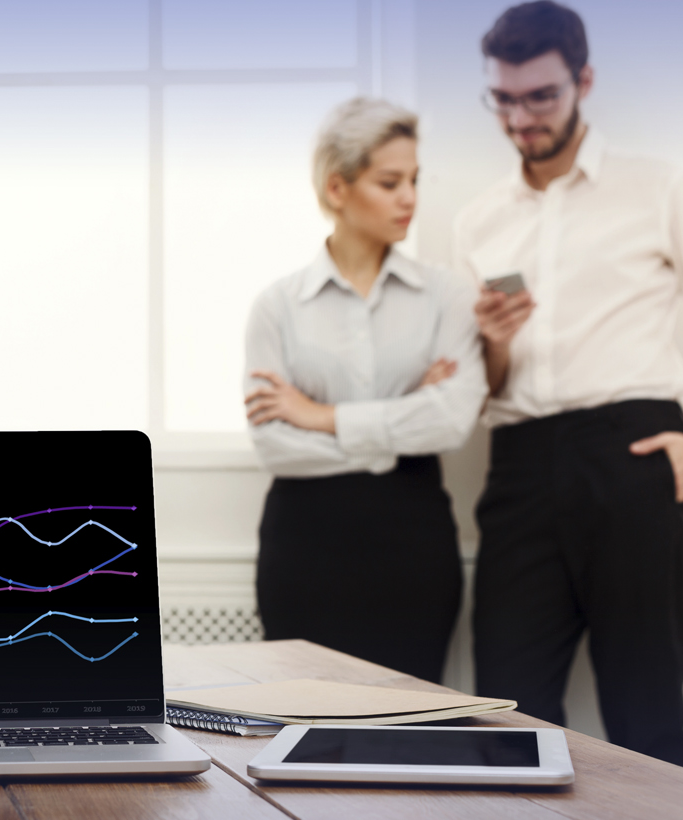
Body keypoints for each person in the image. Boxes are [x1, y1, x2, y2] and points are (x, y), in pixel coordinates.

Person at [457, 1, 683, 768]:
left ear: (583, 80)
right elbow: (491, 385)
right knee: (508, 717)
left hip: (633, 453)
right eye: (504, 98)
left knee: (646, 710)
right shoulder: (479, 219)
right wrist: (492, 341)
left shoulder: (662, 187)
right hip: (519, 464)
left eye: (541, 97)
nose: (521, 118)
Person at [244, 98, 487, 685]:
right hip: (303, 547)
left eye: (414, 180)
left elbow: (452, 422)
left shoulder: (447, 296)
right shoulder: (277, 306)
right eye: (389, 182)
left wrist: (318, 415)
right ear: (337, 188)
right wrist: (399, 428)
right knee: (300, 730)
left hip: (414, 546)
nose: (409, 197)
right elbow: (275, 445)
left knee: (409, 737)